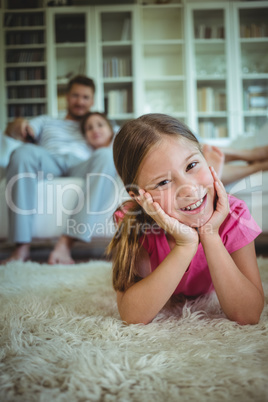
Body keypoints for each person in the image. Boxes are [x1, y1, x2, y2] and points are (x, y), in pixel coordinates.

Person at [107, 113, 264, 326]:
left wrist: (210, 234)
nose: (189, 189)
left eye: (191, 166)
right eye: (163, 182)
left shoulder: (234, 215)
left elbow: (249, 314)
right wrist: (184, 245)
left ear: (204, 159)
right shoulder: (133, 220)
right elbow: (132, 315)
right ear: (140, 197)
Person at [2, 75, 117, 264]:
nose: (80, 101)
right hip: (49, 161)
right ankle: (21, 249)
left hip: (82, 164)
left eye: (85, 97)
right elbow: (13, 130)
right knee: (22, 153)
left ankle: (65, 245)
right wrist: (19, 124)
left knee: (106, 155)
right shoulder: (46, 121)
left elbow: (120, 140)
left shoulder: (95, 124)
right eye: (75, 95)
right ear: (67, 97)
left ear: (92, 100)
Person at [48, 111, 115, 264]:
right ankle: (66, 242)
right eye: (89, 128)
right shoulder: (84, 153)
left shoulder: (118, 145)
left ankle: (66, 241)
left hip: (105, 160)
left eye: (100, 125)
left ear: (111, 129)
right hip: (84, 167)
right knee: (104, 155)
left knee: (105, 155)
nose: (95, 130)